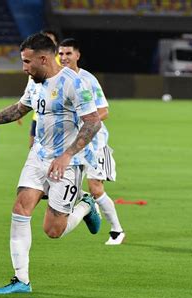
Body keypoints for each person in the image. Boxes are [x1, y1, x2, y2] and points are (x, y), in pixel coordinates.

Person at [0, 33, 102, 294]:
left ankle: (84, 206)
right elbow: (19, 109)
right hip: (38, 157)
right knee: (20, 208)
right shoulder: (34, 81)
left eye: (27, 62)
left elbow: (94, 122)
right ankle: (21, 280)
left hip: (66, 163)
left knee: (53, 230)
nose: (24, 67)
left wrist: (67, 155)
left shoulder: (75, 83)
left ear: (44, 58)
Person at [58, 38, 125, 245]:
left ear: (77, 55)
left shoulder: (87, 79)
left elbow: (104, 111)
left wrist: (83, 118)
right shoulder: (55, 80)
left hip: (95, 143)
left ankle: (117, 231)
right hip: (69, 144)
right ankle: (86, 204)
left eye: (68, 53)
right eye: (61, 54)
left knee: (96, 188)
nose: (64, 57)